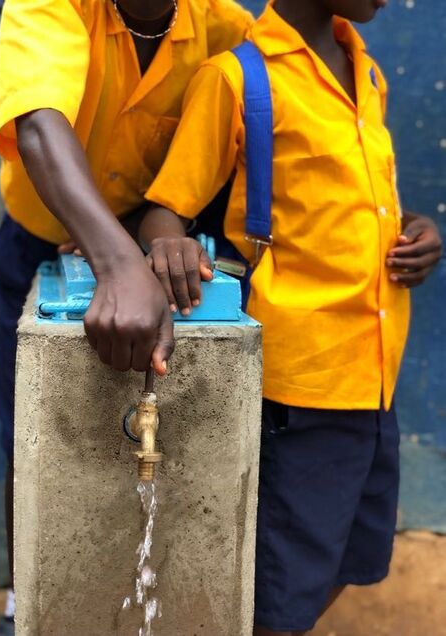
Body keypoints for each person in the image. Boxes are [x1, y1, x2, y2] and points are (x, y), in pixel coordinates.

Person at [138, 0, 443, 634]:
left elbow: (358, 202)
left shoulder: (367, 71)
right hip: (300, 384)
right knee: (281, 587)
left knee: (349, 556)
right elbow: (167, 209)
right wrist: (169, 244)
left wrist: (415, 229)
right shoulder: (237, 78)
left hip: (375, 371)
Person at [0, 0, 252, 632]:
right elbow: (39, 121)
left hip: (158, 251)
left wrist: (152, 244)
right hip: (46, 239)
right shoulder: (54, 6)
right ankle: (24, 606)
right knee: (31, 441)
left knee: (161, 446)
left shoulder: (227, 29)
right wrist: (117, 263)